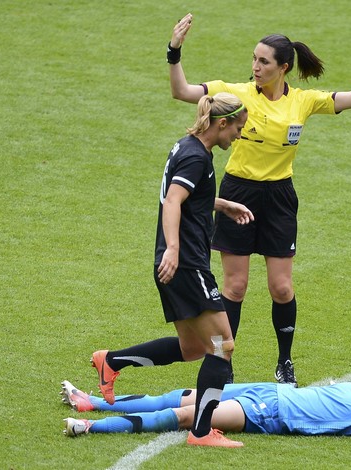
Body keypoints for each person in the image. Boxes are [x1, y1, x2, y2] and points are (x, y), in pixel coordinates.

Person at [90, 14, 351, 390]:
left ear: (284, 67)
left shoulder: (303, 102)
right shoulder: (236, 93)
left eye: (263, 62)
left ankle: (284, 361)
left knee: (281, 287)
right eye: (254, 59)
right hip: (236, 192)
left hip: (279, 197)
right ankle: (224, 363)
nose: (255, 67)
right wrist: (174, 50)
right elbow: (181, 92)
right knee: (236, 286)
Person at [94, 92, 252, 448]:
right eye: (238, 128)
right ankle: (200, 432)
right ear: (221, 123)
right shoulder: (197, 158)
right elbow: (174, 201)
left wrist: (222, 205)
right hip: (186, 264)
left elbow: (189, 195)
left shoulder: (187, 147)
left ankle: (111, 361)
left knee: (193, 347)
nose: (238, 136)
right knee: (222, 346)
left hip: (178, 264)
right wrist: (175, 249)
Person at [60, 380, 351, 453]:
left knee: (183, 415)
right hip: (266, 389)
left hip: (269, 411)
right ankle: (91, 402)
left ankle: (89, 426)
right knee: (181, 393)